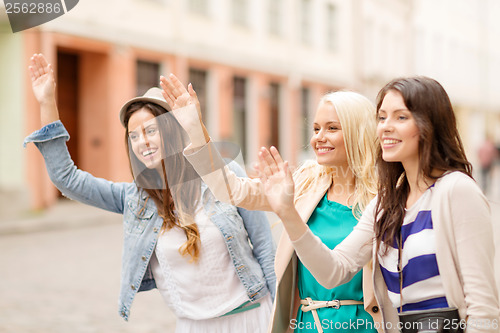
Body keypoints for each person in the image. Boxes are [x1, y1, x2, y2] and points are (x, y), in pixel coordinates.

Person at [24, 53, 276, 333]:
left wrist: (283, 317)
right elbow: (66, 179)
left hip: (253, 318)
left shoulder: (226, 178)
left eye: (150, 130)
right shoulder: (135, 198)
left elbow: (266, 250)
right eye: (133, 136)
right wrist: (47, 102)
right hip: (193, 326)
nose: (142, 142)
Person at [255, 77, 500, 332]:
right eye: (382, 118)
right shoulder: (385, 204)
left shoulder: (456, 190)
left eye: (400, 117)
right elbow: (333, 271)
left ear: (430, 125)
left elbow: (482, 307)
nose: (385, 127)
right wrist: (288, 212)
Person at [160, 74, 383, 332]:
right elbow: (232, 190)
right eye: (316, 129)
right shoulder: (305, 181)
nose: (319, 137)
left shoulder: (385, 197)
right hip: (307, 324)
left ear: (359, 132)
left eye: (332, 128)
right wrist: (196, 132)